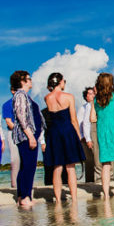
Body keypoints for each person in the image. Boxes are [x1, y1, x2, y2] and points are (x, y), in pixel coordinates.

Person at [43, 72, 85, 205]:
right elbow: (73, 118)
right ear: (61, 82)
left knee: (57, 166)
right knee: (70, 167)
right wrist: (78, 135)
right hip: (67, 130)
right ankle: (74, 198)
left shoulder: (47, 97)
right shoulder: (68, 96)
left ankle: (58, 199)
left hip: (54, 132)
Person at [11, 70, 44, 208]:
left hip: (29, 135)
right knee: (29, 166)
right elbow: (21, 116)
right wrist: (30, 136)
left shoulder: (25, 96)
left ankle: (24, 195)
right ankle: (24, 196)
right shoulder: (20, 95)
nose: (31, 81)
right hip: (26, 136)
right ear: (22, 81)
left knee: (26, 166)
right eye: (29, 79)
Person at [78, 86, 99, 183]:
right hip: (86, 138)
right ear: (86, 96)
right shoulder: (83, 108)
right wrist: (83, 137)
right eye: (90, 93)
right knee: (89, 161)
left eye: (93, 93)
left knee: (98, 159)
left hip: (96, 135)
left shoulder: (96, 105)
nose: (92, 95)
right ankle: (89, 181)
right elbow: (80, 123)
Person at [1, 90, 19, 189]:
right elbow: (8, 122)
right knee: (15, 159)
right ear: (12, 91)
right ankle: (14, 184)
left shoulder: (27, 102)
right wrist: (21, 130)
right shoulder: (7, 104)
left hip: (26, 133)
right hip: (13, 133)